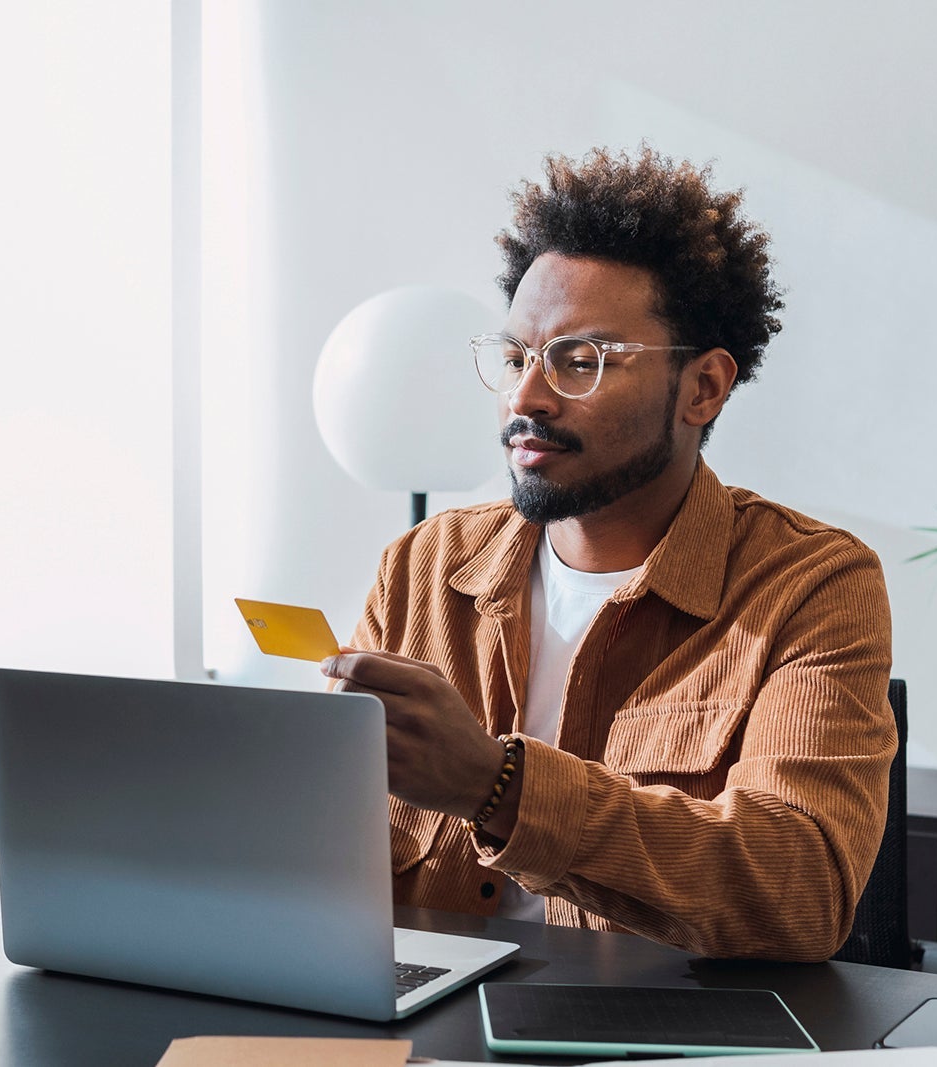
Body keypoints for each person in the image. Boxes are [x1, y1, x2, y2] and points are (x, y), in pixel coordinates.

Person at [321, 146, 895, 962]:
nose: (525, 396)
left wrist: (496, 786)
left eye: (581, 361)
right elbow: (325, 847)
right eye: (518, 357)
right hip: (421, 1026)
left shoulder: (810, 585)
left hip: (653, 1039)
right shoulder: (423, 567)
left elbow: (797, 892)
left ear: (703, 389)